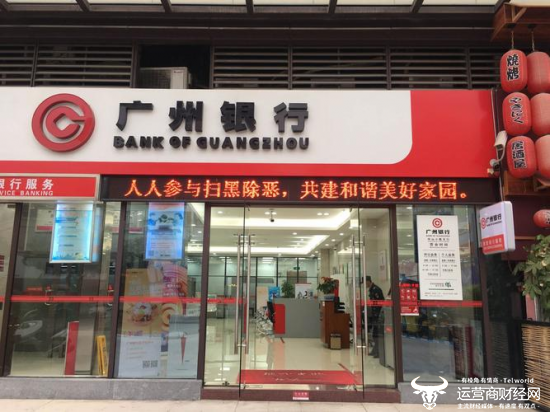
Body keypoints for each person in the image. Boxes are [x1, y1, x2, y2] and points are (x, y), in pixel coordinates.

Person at [365, 276, 384, 358]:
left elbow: (381, 302)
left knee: (377, 334)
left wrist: (379, 315)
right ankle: (375, 350)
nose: (365, 285)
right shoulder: (372, 289)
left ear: (368, 281)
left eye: (365, 282)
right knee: (375, 334)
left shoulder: (376, 289)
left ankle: (378, 351)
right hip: (374, 315)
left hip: (378, 315)